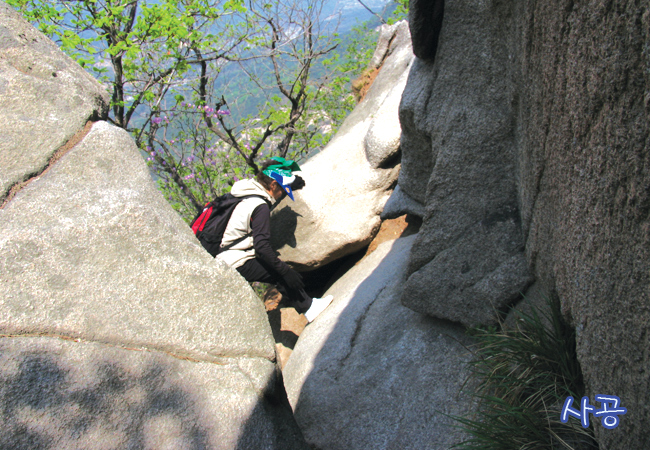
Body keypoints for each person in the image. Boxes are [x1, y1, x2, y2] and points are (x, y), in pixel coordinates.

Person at [215, 157, 333, 323]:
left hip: (225, 255)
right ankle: (308, 307)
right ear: (272, 185)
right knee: (280, 272)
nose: (284, 193)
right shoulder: (260, 205)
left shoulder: (247, 193)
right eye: (283, 189)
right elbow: (262, 247)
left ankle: (304, 304)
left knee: (278, 268)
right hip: (235, 260)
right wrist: (286, 271)